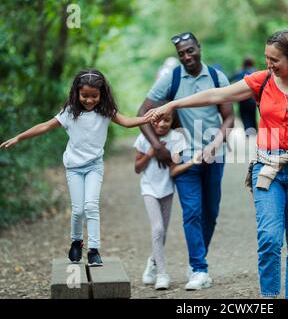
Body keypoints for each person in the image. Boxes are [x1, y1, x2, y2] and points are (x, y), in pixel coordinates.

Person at [149, 30, 288, 299]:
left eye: (275, 60)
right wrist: (174, 103)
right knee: (269, 238)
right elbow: (215, 95)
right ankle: (269, 298)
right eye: (266, 58)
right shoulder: (262, 80)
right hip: (268, 169)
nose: (269, 64)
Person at [0, 69, 153, 267]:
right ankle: (76, 242)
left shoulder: (106, 112)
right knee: (78, 209)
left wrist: (147, 118)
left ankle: (94, 250)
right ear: (77, 93)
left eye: (94, 96)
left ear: (102, 94)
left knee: (91, 205)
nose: (89, 100)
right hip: (73, 167)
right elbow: (45, 126)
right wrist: (20, 136)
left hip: (94, 166)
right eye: (85, 96)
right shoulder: (70, 113)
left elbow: (128, 122)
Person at [137, 31, 234, 290]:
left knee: (210, 213)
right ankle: (198, 268)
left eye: (190, 51)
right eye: (181, 54)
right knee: (192, 212)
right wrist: (158, 147)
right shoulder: (173, 78)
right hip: (184, 158)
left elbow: (229, 118)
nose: (187, 57)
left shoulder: (216, 77)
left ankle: (173, 259)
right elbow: (142, 112)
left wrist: (215, 145)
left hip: (215, 157)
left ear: (199, 48)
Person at [134, 111, 202, 290]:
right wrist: (150, 153)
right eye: (159, 120)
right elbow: (137, 168)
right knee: (157, 229)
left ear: (173, 121)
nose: (162, 124)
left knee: (161, 233)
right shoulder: (144, 138)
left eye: (167, 120)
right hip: (149, 189)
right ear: (152, 121)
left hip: (167, 190)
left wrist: (192, 162)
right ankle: (162, 274)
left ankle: (152, 262)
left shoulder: (176, 139)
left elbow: (173, 170)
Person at [229, 56, 258, 135]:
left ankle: (247, 130)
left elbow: (229, 79)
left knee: (244, 115)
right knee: (252, 115)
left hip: (242, 99)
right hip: (252, 99)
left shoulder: (239, 72)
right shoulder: (255, 72)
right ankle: (253, 130)